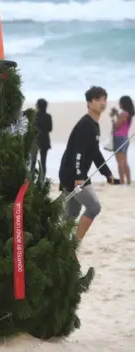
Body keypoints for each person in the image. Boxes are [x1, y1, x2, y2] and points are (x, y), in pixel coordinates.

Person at [58, 86, 114, 241]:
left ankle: (58, 243)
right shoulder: (86, 125)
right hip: (73, 174)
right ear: (89, 103)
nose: (102, 103)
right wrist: (78, 176)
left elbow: (95, 153)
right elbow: (78, 152)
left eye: (104, 99)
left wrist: (107, 173)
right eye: (98, 99)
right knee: (94, 207)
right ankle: (74, 243)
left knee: (71, 214)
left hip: (73, 173)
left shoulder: (93, 125)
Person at [110, 95, 133, 185]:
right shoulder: (128, 114)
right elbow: (122, 123)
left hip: (119, 138)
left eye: (120, 102)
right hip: (125, 137)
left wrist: (112, 118)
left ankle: (122, 182)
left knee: (120, 162)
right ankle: (128, 181)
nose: (119, 104)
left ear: (123, 104)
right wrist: (116, 114)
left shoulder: (123, 114)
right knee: (125, 161)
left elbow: (116, 126)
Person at [33, 98, 52, 173]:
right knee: (43, 163)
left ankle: (31, 180)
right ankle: (42, 181)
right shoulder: (48, 116)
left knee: (33, 163)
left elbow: (32, 129)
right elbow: (50, 129)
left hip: (35, 140)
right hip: (45, 140)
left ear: (37, 106)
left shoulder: (34, 116)